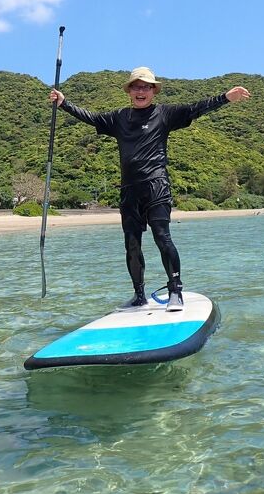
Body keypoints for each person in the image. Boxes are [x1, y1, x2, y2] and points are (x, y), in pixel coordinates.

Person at [50, 67, 250, 312]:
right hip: (129, 191)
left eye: (146, 87)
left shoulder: (164, 114)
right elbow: (91, 117)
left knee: (162, 237)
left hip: (156, 186)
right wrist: (64, 103)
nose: (141, 91)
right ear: (129, 91)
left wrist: (225, 98)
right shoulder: (119, 118)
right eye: (136, 86)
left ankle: (175, 290)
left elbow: (195, 108)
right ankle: (138, 295)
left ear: (153, 90)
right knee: (132, 244)